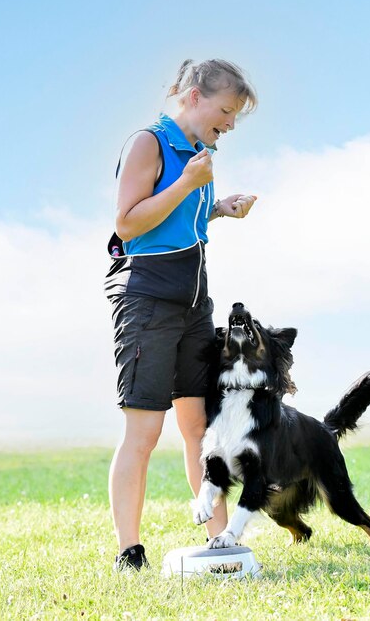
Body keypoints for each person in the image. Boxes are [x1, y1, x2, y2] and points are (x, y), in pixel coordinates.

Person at [104, 59, 258, 571]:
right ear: (195, 96)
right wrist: (190, 186)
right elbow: (128, 224)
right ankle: (130, 551)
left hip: (194, 302)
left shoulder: (201, 153)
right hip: (147, 298)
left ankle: (220, 544)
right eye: (227, 111)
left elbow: (175, 217)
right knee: (144, 432)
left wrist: (218, 208)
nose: (231, 124)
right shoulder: (149, 142)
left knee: (199, 428)